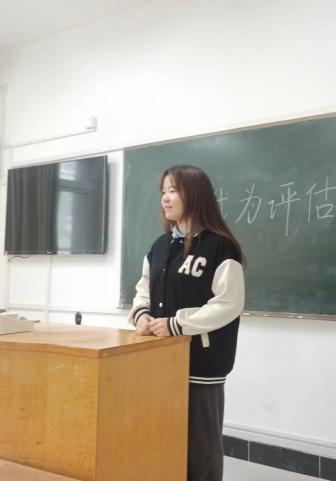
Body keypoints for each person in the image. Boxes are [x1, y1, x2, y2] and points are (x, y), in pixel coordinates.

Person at [128, 164, 245, 481]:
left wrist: (177, 324)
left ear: (194, 194)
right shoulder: (159, 246)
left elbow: (229, 303)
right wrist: (142, 315)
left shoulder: (220, 246)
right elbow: (143, 290)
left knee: (200, 451)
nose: (165, 198)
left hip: (201, 365)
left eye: (173, 190)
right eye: (163, 191)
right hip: (160, 361)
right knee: (163, 442)